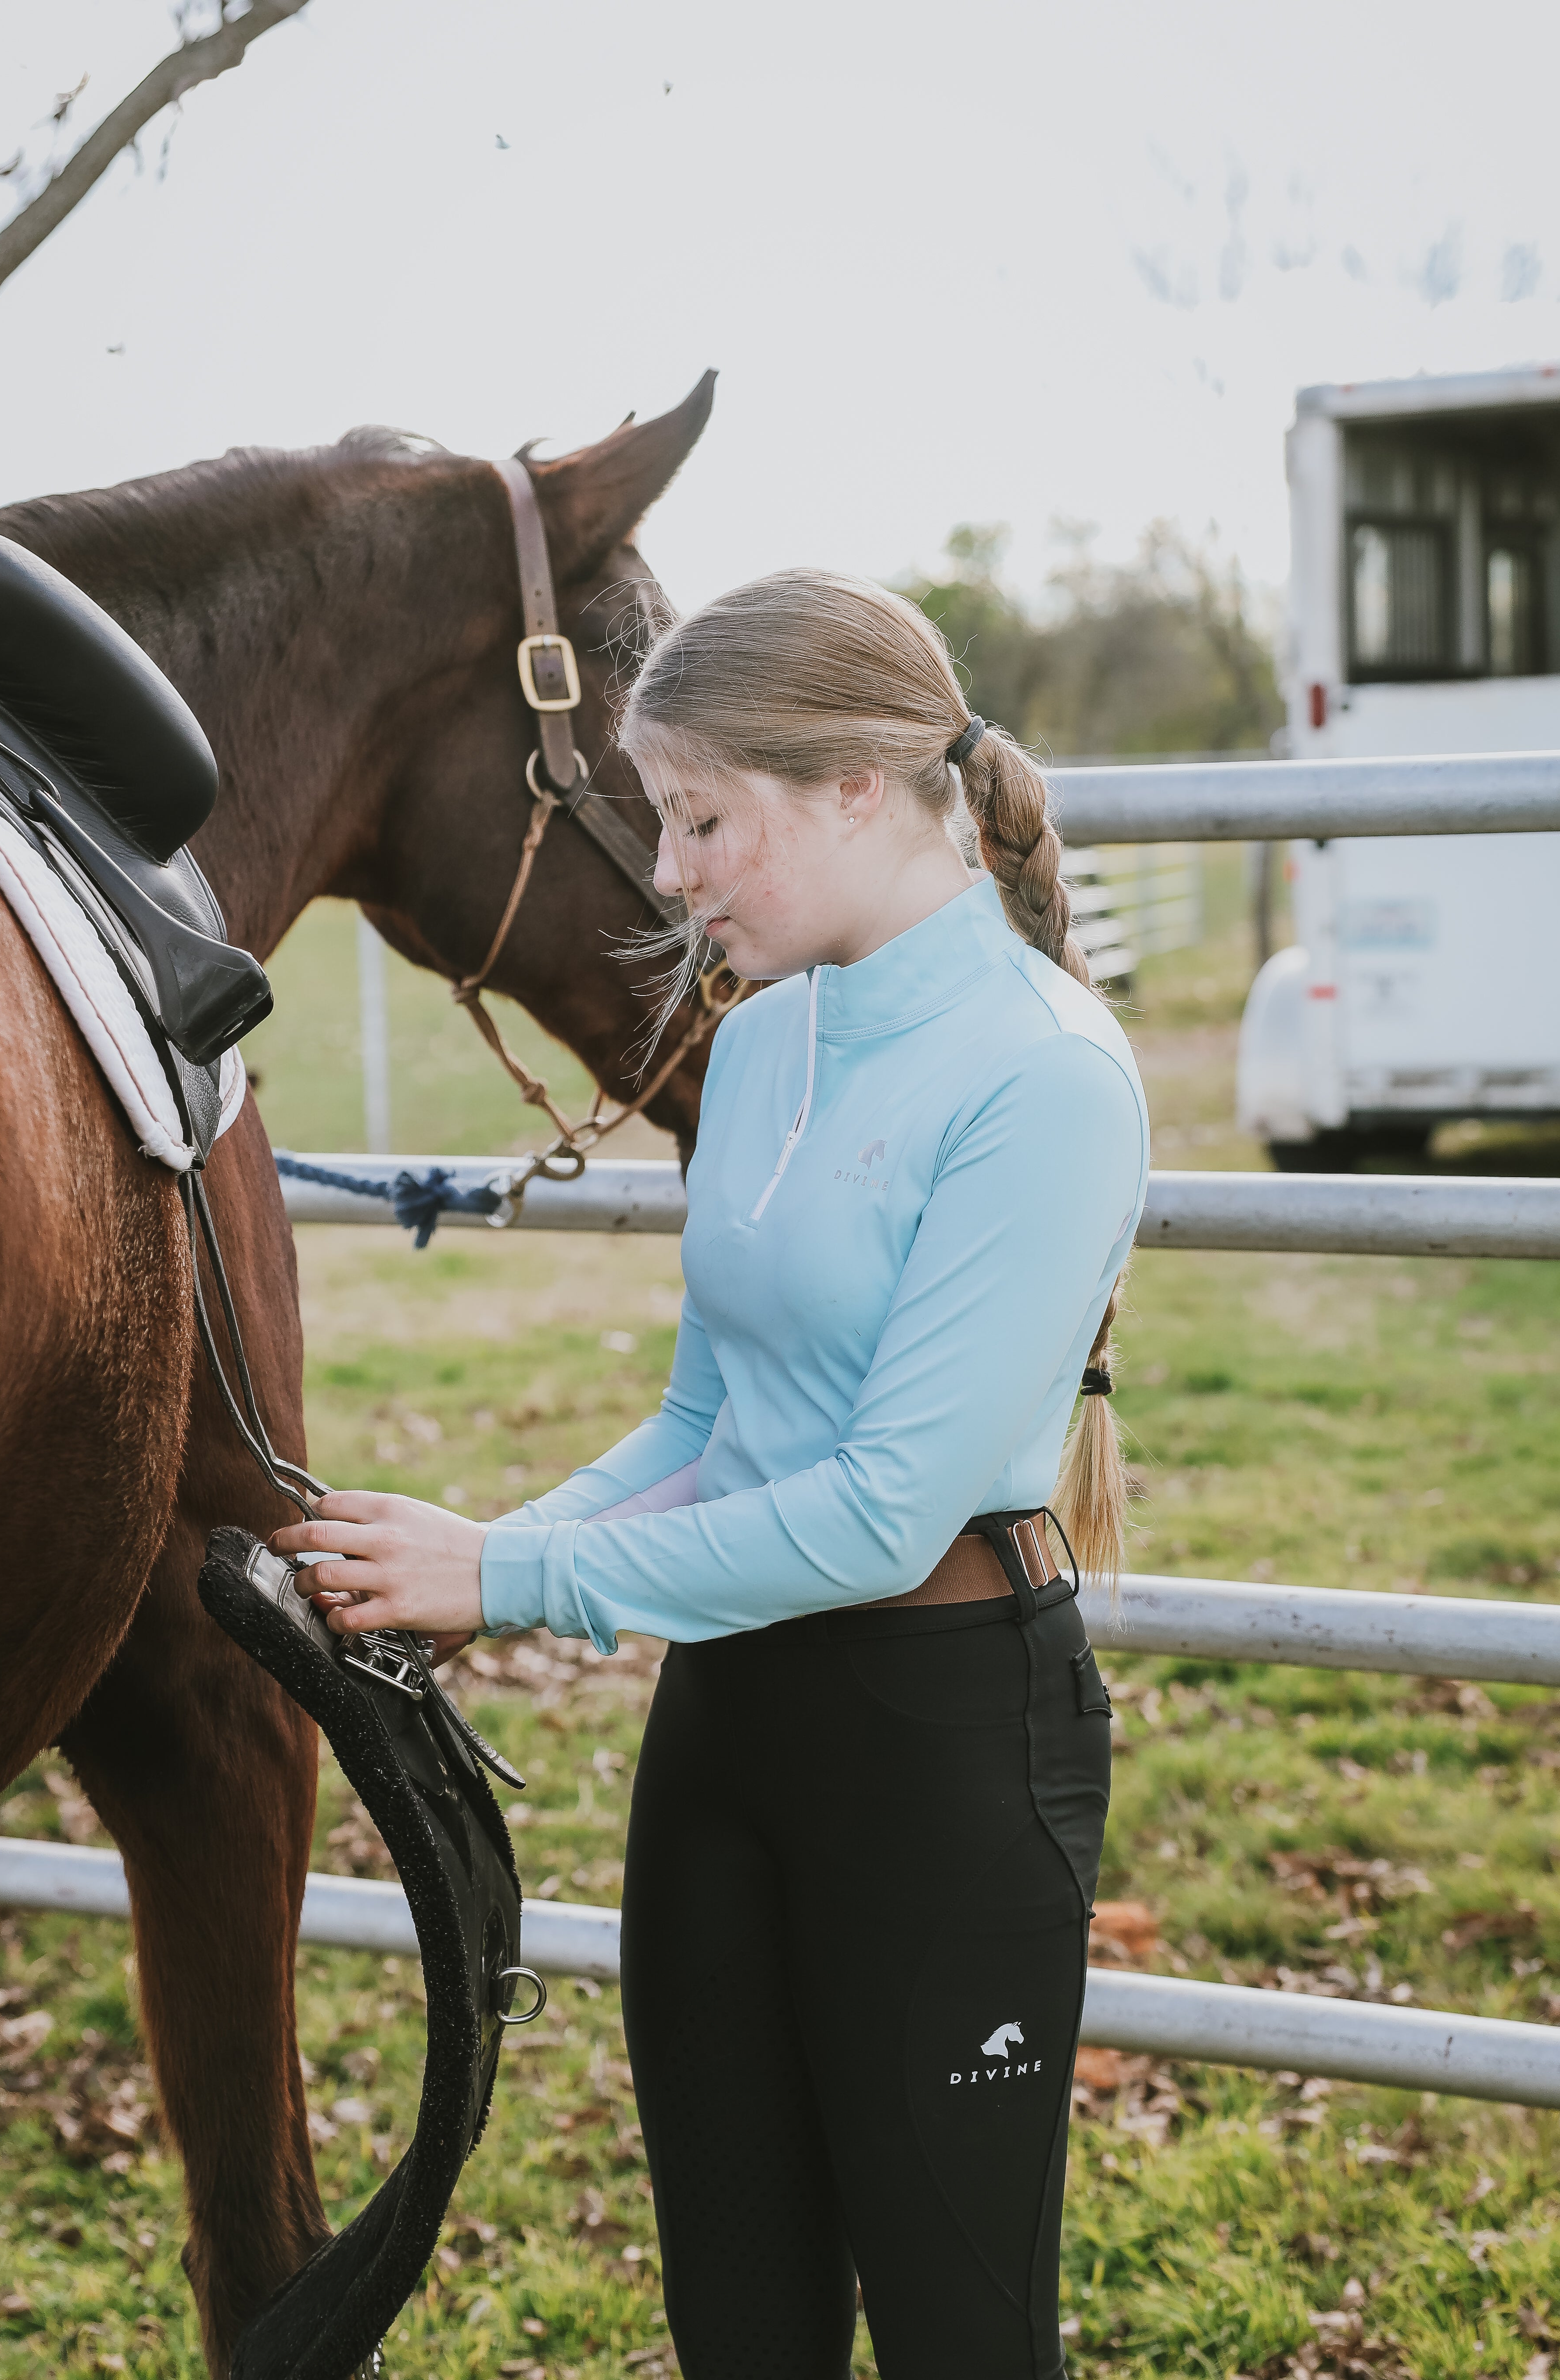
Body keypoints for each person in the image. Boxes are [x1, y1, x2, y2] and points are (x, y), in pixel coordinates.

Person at [273, 567, 1150, 2380]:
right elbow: (703, 1427)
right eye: (663, 819)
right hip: (730, 1728)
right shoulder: (756, 1054)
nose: (665, 873)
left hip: (941, 1737)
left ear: (850, 787)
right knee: (735, 2315)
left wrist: (503, 1584)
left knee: (959, 2331)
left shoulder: (1044, 1077)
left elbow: (889, 1506)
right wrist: (458, 1556)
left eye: (698, 819)